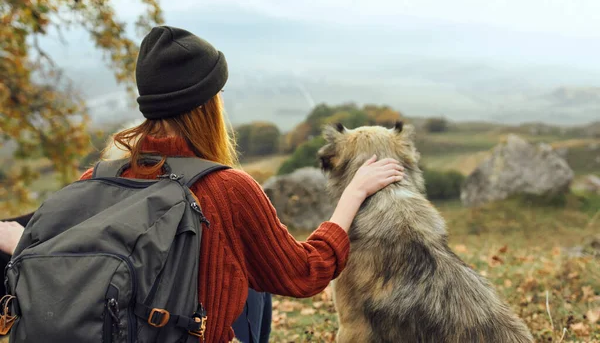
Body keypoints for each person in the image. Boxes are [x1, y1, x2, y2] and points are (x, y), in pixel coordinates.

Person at [0, 26, 404, 343]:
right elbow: (303, 273)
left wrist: (24, 242)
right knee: (253, 279)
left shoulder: (99, 178)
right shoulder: (229, 189)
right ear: (209, 105)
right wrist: (353, 193)